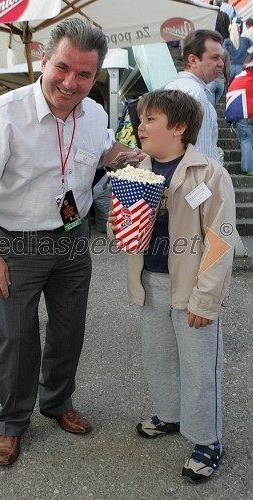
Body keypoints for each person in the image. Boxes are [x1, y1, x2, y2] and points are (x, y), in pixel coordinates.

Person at [0, 18, 145, 467]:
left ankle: (57, 402)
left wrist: (125, 155)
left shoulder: (96, 112)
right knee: (18, 337)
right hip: (16, 243)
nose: (71, 82)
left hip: (72, 238)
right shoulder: (4, 113)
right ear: (45, 60)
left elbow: (98, 152)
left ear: (95, 75)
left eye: (84, 74)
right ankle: (12, 423)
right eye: (63, 67)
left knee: (69, 332)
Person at [108, 89, 236, 482]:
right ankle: (170, 414)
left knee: (198, 367)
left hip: (192, 286)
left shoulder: (208, 173)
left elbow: (221, 239)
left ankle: (207, 440)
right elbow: (125, 229)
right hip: (151, 281)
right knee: (158, 357)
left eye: (150, 120)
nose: (140, 126)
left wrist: (206, 300)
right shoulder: (138, 168)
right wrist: (122, 222)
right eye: (140, 119)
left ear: (179, 127)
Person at [165, 30, 224, 162]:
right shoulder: (196, 94)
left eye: (221, 57)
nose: (221, 63)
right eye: (215, 57)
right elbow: (202, 155)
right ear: (193, 60)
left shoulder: (171, 87)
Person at [226, 51, 253, 175]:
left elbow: (231, 94)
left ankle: (248, 168)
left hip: (244, 114)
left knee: (246, 140)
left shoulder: (240, 78)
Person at [223, 18, 253, 84]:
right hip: (241, 67)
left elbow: (223, 54)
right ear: (240, 28)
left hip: (230, 68)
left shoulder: (227, 41)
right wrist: (247, 55)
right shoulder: (246, 40)